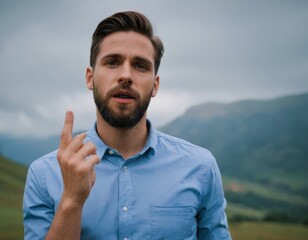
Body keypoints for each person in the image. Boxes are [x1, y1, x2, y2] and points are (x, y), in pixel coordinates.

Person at [23, 11, 231, 239]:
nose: (125, 76)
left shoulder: (200, 167)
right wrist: (71, 199)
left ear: (155, 85)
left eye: (140, 66)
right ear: (90, 78)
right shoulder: (44, 174)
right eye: (112, 62)